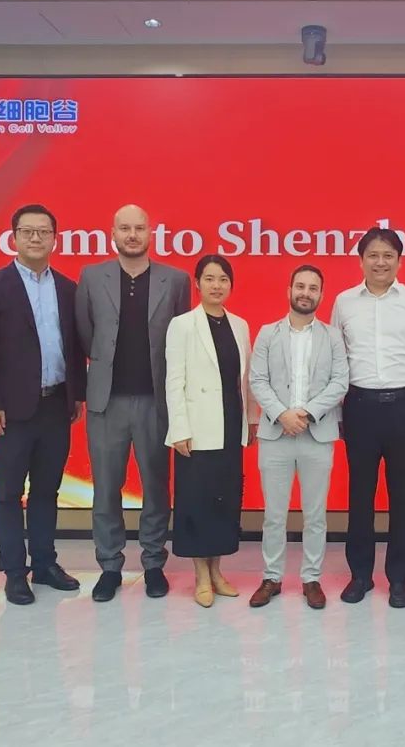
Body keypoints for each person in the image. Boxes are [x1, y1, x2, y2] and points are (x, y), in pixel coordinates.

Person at [0, 204, 87, 605]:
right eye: (27, 231)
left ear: (55, 238)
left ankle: (46, 563)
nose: (36, 238)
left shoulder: (68, 288)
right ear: (14, 237)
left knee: (47, 491)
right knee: (8, 491)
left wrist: (77, 395)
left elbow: (75, 346)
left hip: (56, 406)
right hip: (11, 411)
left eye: (43, 232)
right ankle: (15, 571)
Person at [75, 205, 191, 603]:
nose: (132, 235)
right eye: (124, 228)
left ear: (150, 233)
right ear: (112, 233)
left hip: (155, 400)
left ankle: (154, 563)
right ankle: (110, 566)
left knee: (156, 486)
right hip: (106, 401)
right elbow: (86, 333)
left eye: (139, 228)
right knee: (106, 487)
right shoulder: (92, 277)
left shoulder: (176, 280)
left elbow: (181, 341)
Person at [330, 227, 405, 608]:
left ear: (399, 260)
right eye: (373, 255)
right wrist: (337, 411)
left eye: (388, 255)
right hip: (359, 406)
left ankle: (398, 579)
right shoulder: (344, 303)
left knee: (403, 498)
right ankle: (360, 575)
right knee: (360, 497)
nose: (380, 262)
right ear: (361, 260)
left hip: (404, 407)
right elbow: (336, 359)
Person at [248, 265, 350, 610]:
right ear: (289, 290)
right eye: (300, 286)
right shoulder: (268, 334)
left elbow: (340, 382)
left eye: (313, 288)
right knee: (274, 515)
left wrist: (305, 413)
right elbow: (257, 380)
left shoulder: (332, 337)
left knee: (315, 514)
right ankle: (271, 577)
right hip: (275, 434)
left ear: (321, 295)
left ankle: (311, 578)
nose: (306, 293)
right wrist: (283, 415)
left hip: (316, 434)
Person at [165, 254, 259, 608]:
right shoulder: (182, 325)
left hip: (230, 424)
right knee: (197, 501)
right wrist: (179, 428)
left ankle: (217, 571)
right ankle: (200, 575)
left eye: (223, 279)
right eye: (209, 279)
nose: (216, 285)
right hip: (197, 427)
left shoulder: (240, 325)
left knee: (224, 501)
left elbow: (245, 380)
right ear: (197, 283)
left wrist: (251, 419)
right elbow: (173, 380)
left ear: (230, 285)